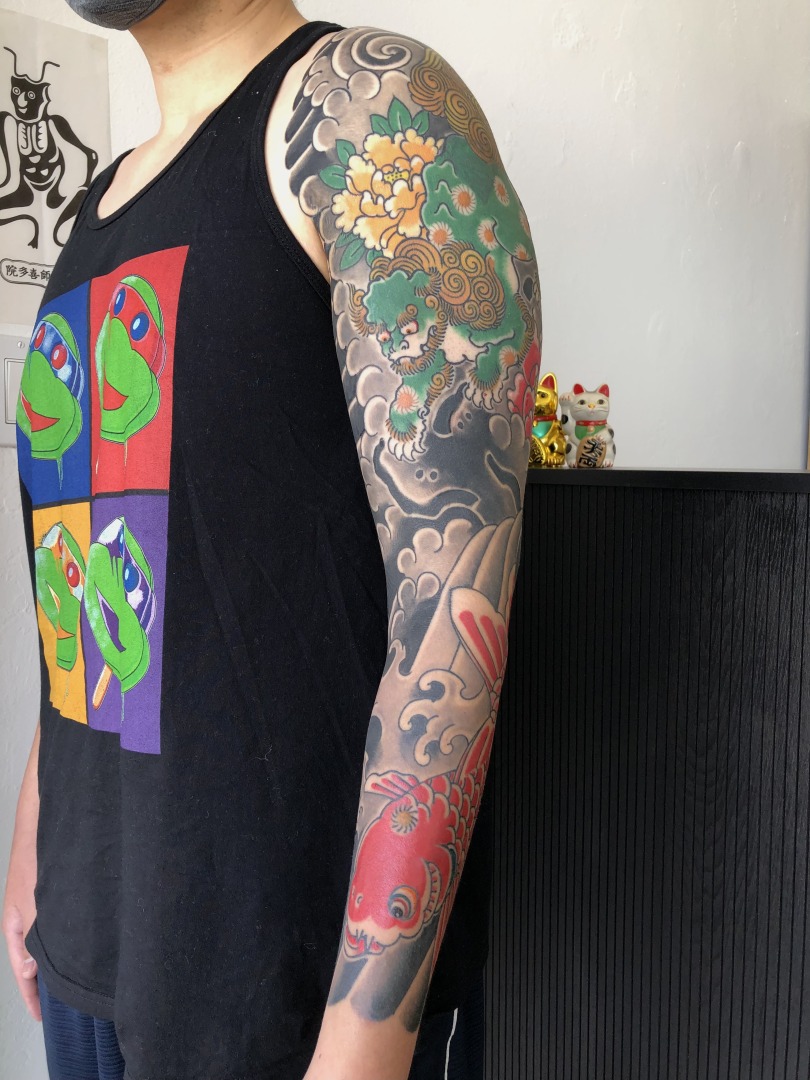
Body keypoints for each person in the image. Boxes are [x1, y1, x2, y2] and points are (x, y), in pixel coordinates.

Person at [3, 1, 541, 1077]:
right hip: (91, 953)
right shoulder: (99, 209)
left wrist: (366, 1038)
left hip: (291, 1004)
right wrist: (36, 824)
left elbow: (453, 604)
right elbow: (99, 554)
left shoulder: (370, 111)